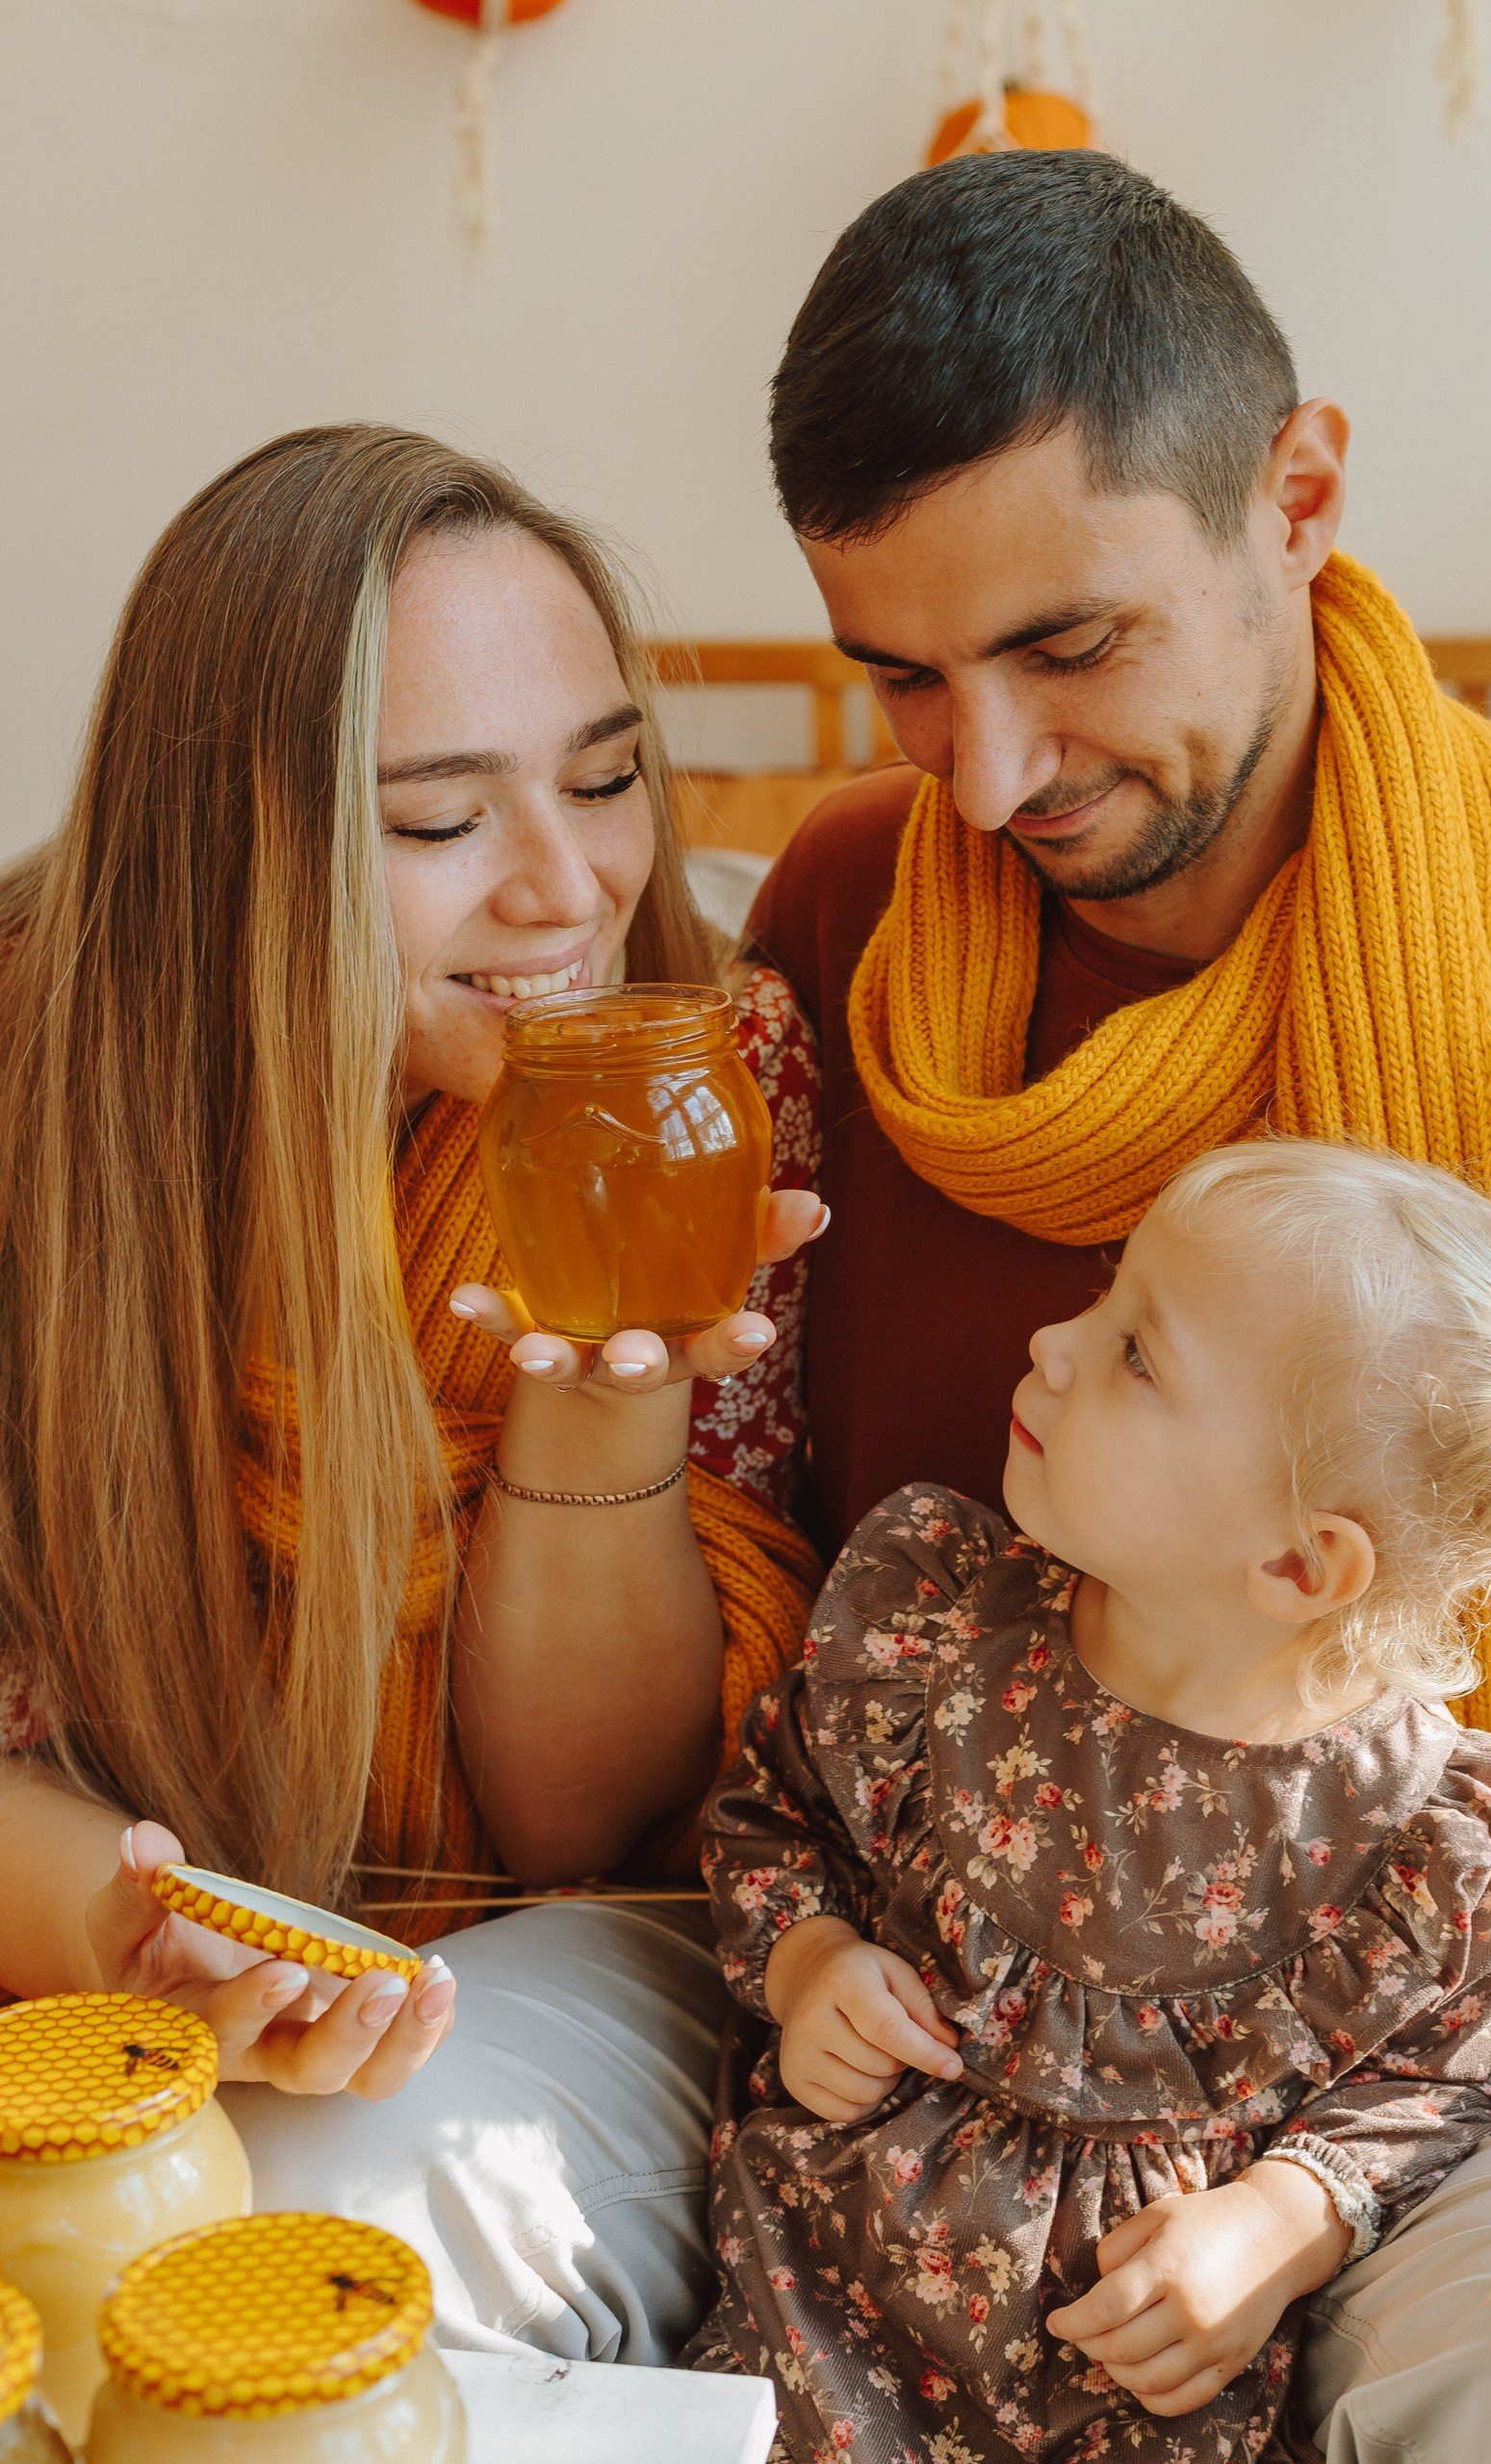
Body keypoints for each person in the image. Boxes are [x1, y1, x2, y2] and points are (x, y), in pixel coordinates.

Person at [730, 151, 1491, 2449]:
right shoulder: (843, 916)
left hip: (1444, 2047)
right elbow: (733, 1590)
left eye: (1069, 643)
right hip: (892, 1969)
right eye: (902, 680)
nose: (994, 772)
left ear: (1296, 491)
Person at [0, 424, 826, 2363]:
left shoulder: (714, 1082)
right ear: (234, 843)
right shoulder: (39, 1126)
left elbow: (593, 1827)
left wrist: (601, 1406)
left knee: (251, 2244)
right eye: (444, 818)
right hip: (99, 1928)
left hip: (545, 1951)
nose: (571, 888)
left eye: (609, 778)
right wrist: (135, 1941)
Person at [686, 1138, 1491, 2460]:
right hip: (804, 2328)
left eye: (1138, 1353)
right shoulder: (937, 1627)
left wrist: (1278, 2224)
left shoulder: (1424, 1847)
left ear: (1301, 1563)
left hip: (1130, 2403)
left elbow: (1432, 2082)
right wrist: (810, 1965)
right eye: (1106, 1298)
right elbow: (773, 1811)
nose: (1055, 1343)